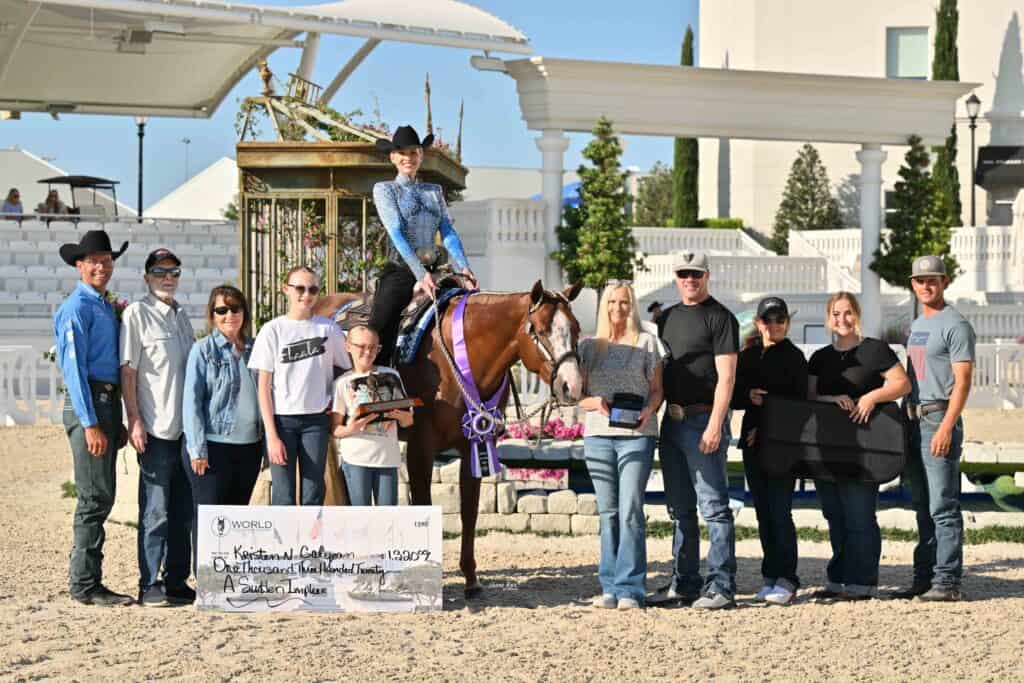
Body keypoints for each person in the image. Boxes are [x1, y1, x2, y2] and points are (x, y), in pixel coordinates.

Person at [807, 292, 911, 601]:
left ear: (857, 315)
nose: (842, 319)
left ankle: (863, 581)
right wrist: (830, 399)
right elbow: (809, 397)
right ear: (828, 319)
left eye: (848, 312)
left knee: (859, 515)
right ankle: (838, 578)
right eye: (836, 314)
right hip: (826, 446)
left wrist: (870, 397)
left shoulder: (874, 350)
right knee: (834, 514)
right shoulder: (820, 358)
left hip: (864, 447)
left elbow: (901, 383)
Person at [651, 251, 739, 610]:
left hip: (704, 421)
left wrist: (717, 424)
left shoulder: (720, 318)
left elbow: (727, 376)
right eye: (684, 274)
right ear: (676, 277)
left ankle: (721, 586)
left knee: (715, 508)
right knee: (680, 509)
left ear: (707, 276)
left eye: (696, 274)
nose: (690, 279)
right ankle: (684, 583)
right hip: (671, 423)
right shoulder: (665, 319)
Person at [54, 230, 132, 606]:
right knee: (93, 496)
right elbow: (73, 370)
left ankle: (88, 580)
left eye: (107, 260)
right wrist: (90, 423)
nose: (101, 266)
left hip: (106, 403)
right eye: (94, 261)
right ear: (79, 266)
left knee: (101, 494)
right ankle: (85, 584)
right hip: (90, 404)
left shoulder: (102, 305)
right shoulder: (76, 309)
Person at [893, 256, 976, 602]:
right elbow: (913, 375)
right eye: (920, 280)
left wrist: (945, 426)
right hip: (912, 419)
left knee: (943, 505)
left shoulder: (956, 325)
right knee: (921, 504)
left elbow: (963, 381)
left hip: (937, 418)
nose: (927, 286)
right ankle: (923, 577)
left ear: (944, 282)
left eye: (933, 280)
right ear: (913, 284)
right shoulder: (914, 326)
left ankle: (948, 581)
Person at [577, 281, 664, 610]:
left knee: (630, 511)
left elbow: (657, 390)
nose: (618, 308)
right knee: (608, 513)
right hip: (598, 437)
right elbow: (575, 396)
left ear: (632, 306)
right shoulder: (589, 348)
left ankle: (631, 587)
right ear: (604, 306)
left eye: (624, 302)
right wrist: (594, 401)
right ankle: (609, 585)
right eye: (612, 302)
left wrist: (649, 411)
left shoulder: (648, 342)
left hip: (637, 436)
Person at [120, 248, 195, 607]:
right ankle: (149, 582)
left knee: (182, 512)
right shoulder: (137, 313)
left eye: (174, 272)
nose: (168, 277)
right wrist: (133, 418)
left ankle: (177, 581)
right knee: (155, 510)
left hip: (185, 432)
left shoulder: (182, 316)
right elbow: (129, 370)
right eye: (161, 271)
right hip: (156, 429)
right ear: (147, 276)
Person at [369, 125, 477, 365]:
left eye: (414, 152)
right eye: (403, 153)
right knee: (379, 326)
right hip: (401, 271)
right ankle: (377, 373)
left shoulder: (433, 191)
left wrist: (465, 267)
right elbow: (396, 232)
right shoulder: (385, 189)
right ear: (393, 157)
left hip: (436, 269)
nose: (409, 158)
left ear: (421, 155)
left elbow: (447, 230)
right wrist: (419, 273)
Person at [249, 266, 350, 506]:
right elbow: (263, 388)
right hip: (282, 421)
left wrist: (336, 409)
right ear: (286, 289)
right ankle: (284, 545)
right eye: (300, 288)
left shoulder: (329, 329)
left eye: (313, 289)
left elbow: (344, 375)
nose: (307, 294)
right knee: (283, 494)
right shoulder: (272, 330)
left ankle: (309, 544)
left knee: (313, 493)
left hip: (316, 421)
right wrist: (272, 435)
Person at [731, 296, 808, 605]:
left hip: (782, 446)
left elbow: (799, 405)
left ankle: (787, 578)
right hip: (752, 443)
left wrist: (765, 419)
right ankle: (770, 574)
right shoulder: (747, 355)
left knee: (779, 511)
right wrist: (749, 396)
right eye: (768, 320)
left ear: (787, 322)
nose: (774, 325)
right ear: (759, 322)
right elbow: (735, 395)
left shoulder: (794, 357)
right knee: (763, 512)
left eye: (780, 320)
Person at [182, 286, 263, 568]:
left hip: (249, 447)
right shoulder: (202, 350)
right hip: (213, 447)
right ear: (212, 315)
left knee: (236, 516)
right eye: (222, 310)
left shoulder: (256, 349)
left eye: (235, 308)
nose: (230, 315)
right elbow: (191, 402)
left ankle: (228, 575)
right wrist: (197, 449)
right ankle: (206, 578)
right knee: (210, 517)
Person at [331, 325, 414, 506]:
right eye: (361, 346)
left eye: (373, 347)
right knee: (360, 518)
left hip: (387, 460)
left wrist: (399, 415)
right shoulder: (342, 383)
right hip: (356, 459)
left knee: (386, 518)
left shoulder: (391, 376)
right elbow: (335, 429)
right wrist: (353, 428)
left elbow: (409, 421)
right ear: (348, 346)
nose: (367, 352)